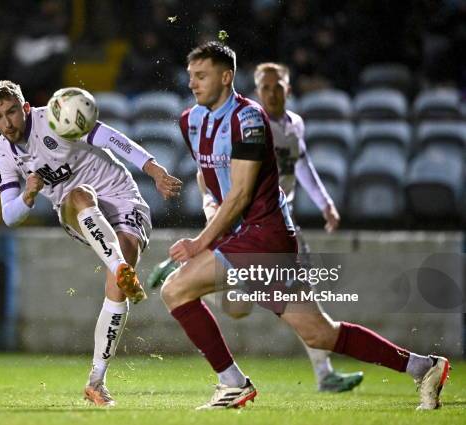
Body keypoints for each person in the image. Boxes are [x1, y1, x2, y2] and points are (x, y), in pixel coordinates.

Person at [159, 41, 449, 410]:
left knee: (176, 289)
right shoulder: (190, 120)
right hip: (250, 238)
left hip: (264, 235)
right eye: (190, 77)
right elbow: (211, 175)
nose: (193, 84)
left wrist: (200, 242)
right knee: (319, 334)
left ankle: (231, 383)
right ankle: (423, 367)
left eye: (202, 76)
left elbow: (242, 193)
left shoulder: (248, 119)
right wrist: (209, 205)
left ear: (226, 76)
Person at [147, 61, 362, 393]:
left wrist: (325, 203)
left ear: (289, 90)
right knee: (238, 309)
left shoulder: (288, 126)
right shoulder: (241, 123)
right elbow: (212, 180)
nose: (272, 93)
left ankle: (319, 372)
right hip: (244, 229)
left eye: (279, 87)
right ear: (256, 89)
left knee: (304, 317)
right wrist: (209, 232)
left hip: (270, 229)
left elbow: (299, 164)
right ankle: (415, 365)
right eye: (265, 87)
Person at [0, 80, 181, 407]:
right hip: (75, 211)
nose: (7, 123)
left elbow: (111, 138)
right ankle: (119, 266)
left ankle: (96, 382)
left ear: (25, 108)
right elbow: (9, 216)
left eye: (12, 112)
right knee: (79, 194)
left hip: (124, 199)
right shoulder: (1, 156)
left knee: (122, 269)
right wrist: (28, 195)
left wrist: (153, 168)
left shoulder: (58, 116)